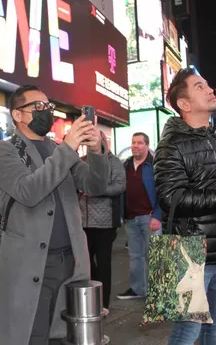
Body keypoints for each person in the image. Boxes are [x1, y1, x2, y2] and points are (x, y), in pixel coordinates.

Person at [0, 85, 108, 345]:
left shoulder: (56, 149)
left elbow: (94, 186)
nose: (47, 112)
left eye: (48, 106)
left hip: (71, 261)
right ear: (17, 115)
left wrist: (97, 151)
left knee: (66, 335)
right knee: (32, 334)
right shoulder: (5, 150)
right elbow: (29, 191)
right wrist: (69, 147)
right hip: (32, 264)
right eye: (38, 107)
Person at [153, 67, 216, 345]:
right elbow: (171, 198)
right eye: (200, 86)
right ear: (184, 104)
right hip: (188, 254)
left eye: (208, 84)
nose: (210, 89)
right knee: (186, 333)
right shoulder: (170, 145)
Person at [78, 131, 126, 308]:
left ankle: (103, 303)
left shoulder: (114, 162)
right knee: (86, 263)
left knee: (104, 262)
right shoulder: (82, 161)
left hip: (105, 223)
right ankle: (89, 302)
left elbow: (120, 186)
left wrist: (96, 190)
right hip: (83, 222)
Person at [117, 132, 162, 300]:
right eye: (133, 142)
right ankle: (138, 290)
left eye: (140, 143)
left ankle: (158, 293)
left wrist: (157, 215)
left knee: (155, 256)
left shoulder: (154, 165)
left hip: (149, 218)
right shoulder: (126, 165)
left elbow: (163, 192)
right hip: (131, 219)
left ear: (147, 146)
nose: (135, 146)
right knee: (135, 256)